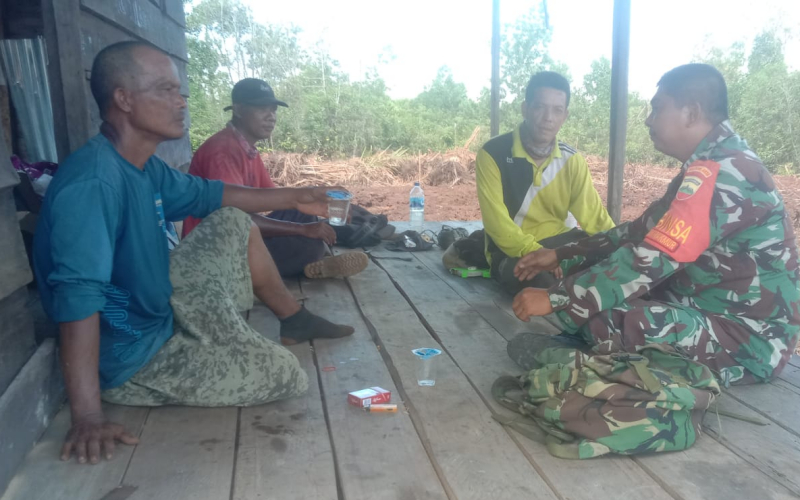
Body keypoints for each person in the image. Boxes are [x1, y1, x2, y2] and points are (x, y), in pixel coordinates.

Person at [33, 41, 356, 466]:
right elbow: (77, 302)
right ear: (124, 99)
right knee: (285, 375)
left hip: (157, 303)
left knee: (233, 220)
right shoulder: (94, 184)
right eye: (166, 90)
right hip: (132, 353)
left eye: (180, 91)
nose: (181, 102)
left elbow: (211, 195)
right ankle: (207, 342)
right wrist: (89, 416)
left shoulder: (142, 164)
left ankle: (291, 319)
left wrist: (297, 196)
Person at [509, 64, 800, 386]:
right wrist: (562, 254)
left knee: (604, 317)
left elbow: (648, 260)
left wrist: (557, 298)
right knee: (593, 293)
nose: (648, 119)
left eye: (657, 109)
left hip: (748, 337)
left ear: (691, 113)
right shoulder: (710, 163)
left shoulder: (726, 173)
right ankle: (600, 355)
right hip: (700, 302)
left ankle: (585, 364)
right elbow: (638, 231)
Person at [183, 78, 369, 279]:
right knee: (307, 242)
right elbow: (235, 220)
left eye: (273, 110)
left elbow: (278, 201)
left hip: (239, 235)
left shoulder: (247, 150)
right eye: (262, 108)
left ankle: (319, 254)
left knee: (305, 216)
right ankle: (307, 263)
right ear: (238, 110)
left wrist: (312, 204)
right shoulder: (222, 152)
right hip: (216, 253)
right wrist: (301, 230)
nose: (271, 117)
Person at [476, 71, 614, 295]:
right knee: (543, 282)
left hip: (561, 243)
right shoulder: (493, 153)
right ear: (525, 108)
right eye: (540, 107)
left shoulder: (572, 160)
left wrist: (620, 248)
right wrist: (540, 255)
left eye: (557, 110)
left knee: (607, 263)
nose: (548, 117)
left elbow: (596, 219)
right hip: (514, 250)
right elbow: (497, 224)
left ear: (565, 115)